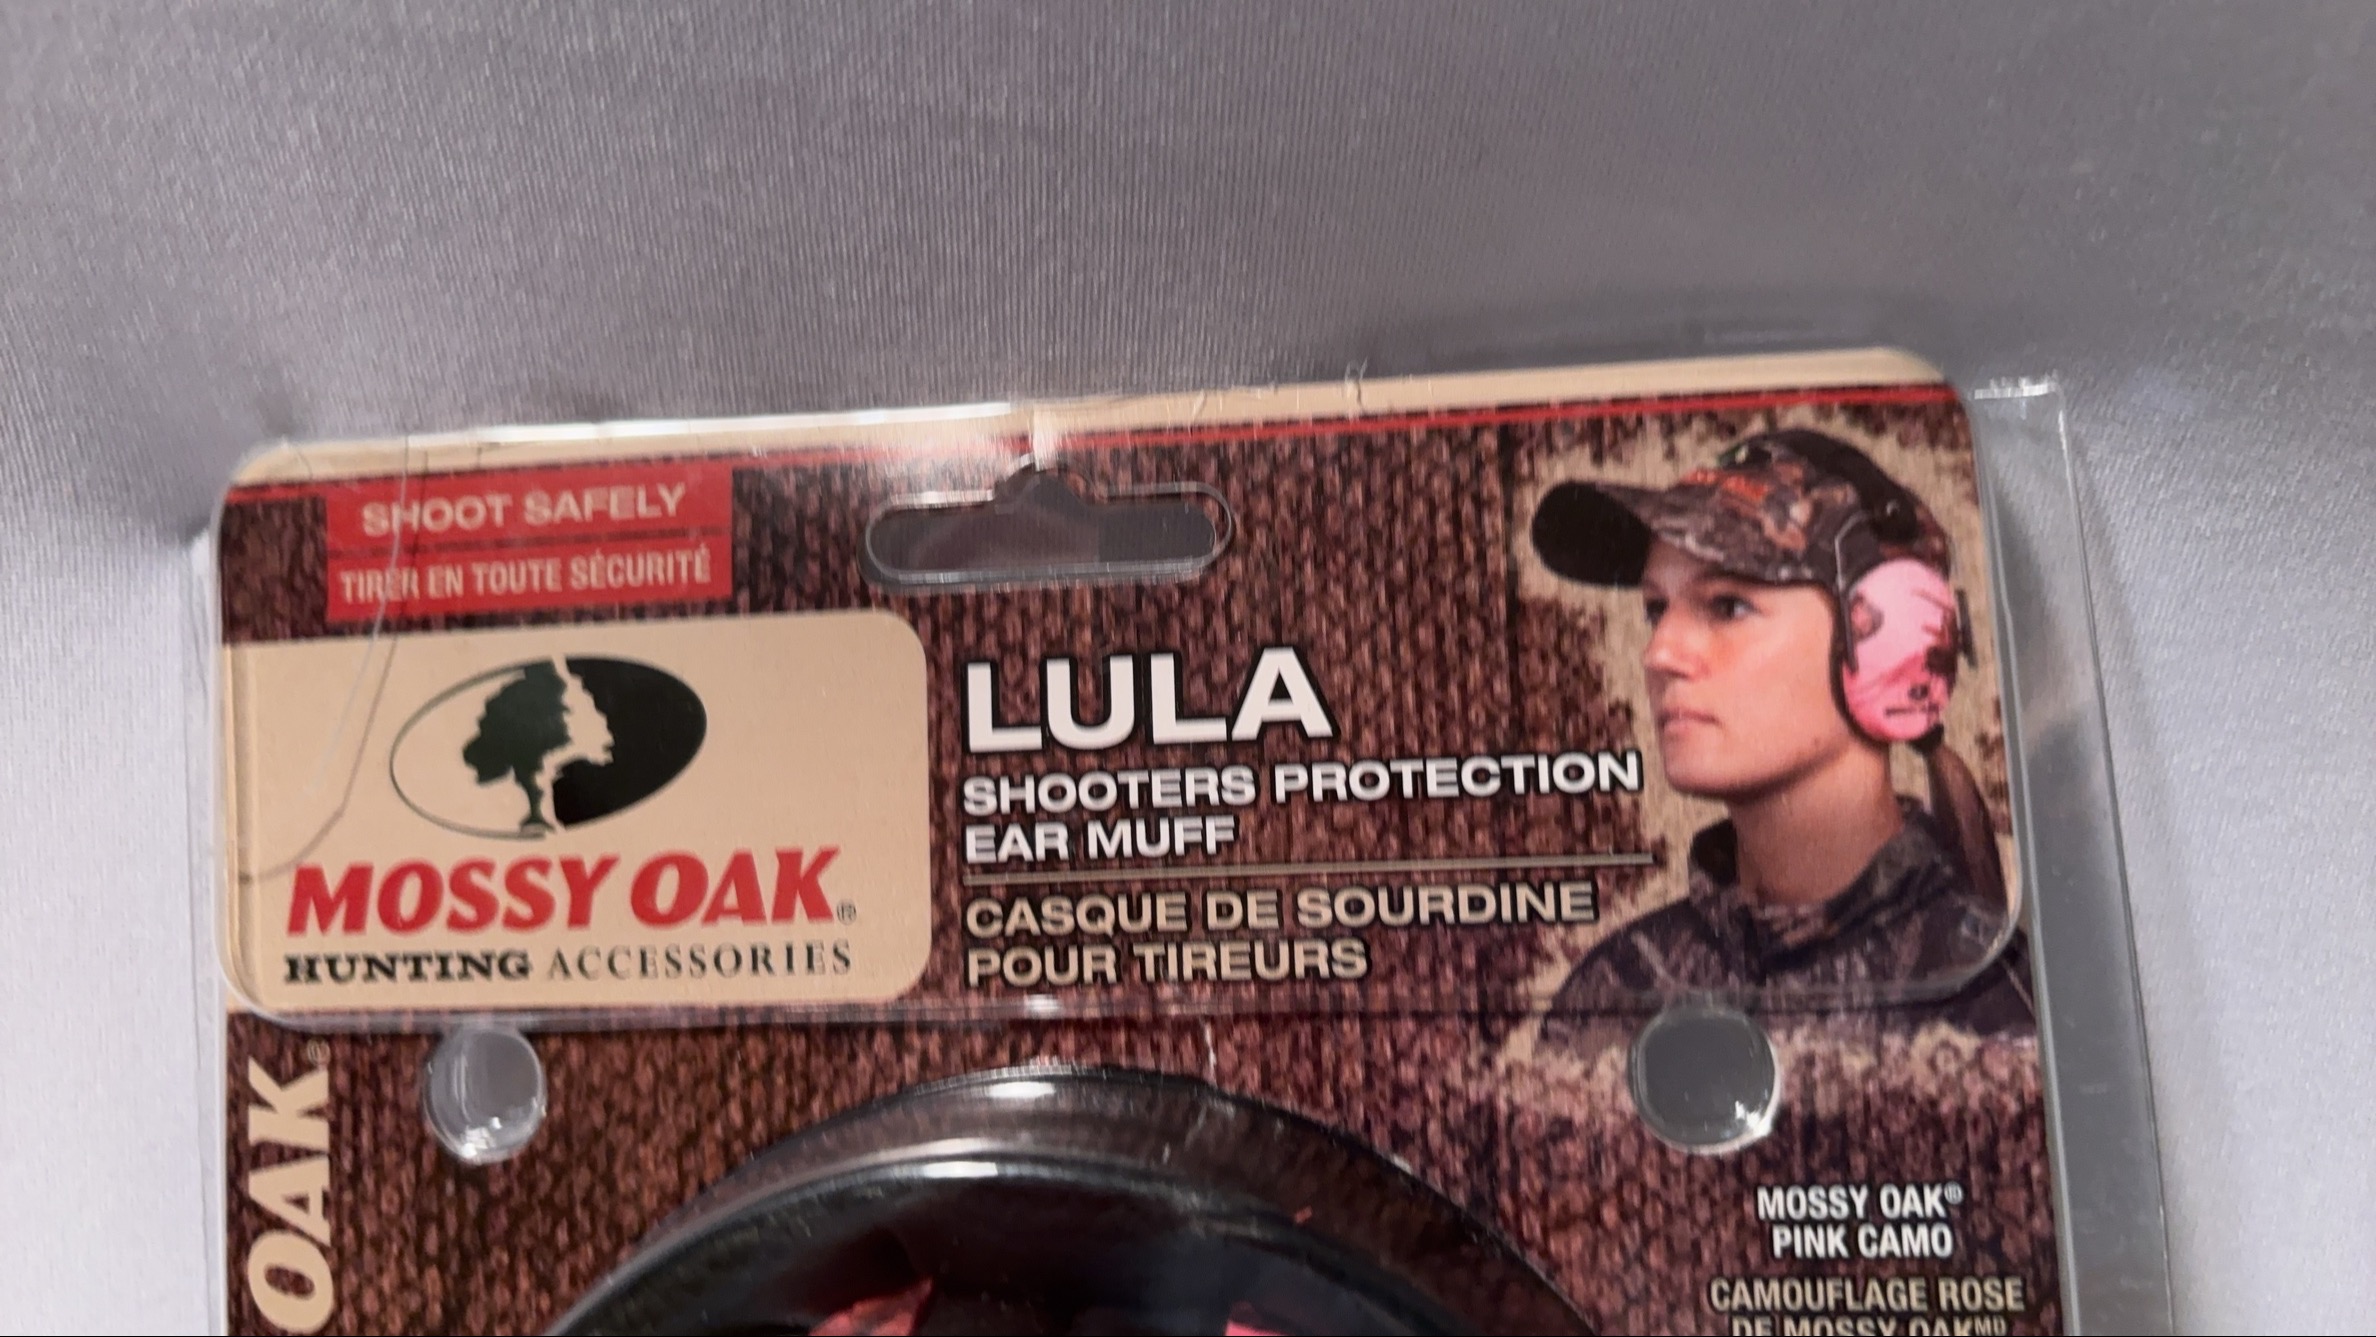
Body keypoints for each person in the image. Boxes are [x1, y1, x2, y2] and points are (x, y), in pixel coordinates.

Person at [1527, 429, 2033, 1058]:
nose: (1658, 653)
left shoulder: (1997, 999)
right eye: (1657, 609)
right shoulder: (1618, 989)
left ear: (1893, 645)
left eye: (1728, 606)